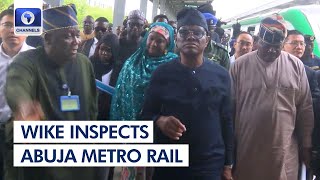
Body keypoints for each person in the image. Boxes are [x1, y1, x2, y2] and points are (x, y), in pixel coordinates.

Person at [4, 4, 107, 180]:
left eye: (77, 34)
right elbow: (17, 85)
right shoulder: (27, 62)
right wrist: (26, 109)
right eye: (68, 36)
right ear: (48, 38)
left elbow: (91, 107)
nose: (77, 41)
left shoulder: (84, 64)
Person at [142, 8, 233, 180]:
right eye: (184, 32)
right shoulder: (161, 74)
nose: (190, 37)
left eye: (197, 32)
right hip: (170, 163)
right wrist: (160, 121)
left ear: (207, 40)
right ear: (176, 39)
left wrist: (228, 164)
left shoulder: (221, 75)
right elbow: (146, 115)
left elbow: (227, 120)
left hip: (209, 164)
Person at [230, 16, 314, 180]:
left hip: (284, 150)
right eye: (267, 46)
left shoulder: (296, 66)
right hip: (247, 149)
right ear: (257, 42)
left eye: (276, 47)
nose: (271, 51)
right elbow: (229, 109)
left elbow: (305, 107)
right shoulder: (239, 66)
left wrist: (306, 143)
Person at [110, 22, 177, 180]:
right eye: (151, 38)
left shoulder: (174, 65)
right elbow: (120, 95)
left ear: (168, 45)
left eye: (160, 41)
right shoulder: (133, 62)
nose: (153, 43)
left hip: (158, 133)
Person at [0, 6, 34, 180]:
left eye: (18, 26)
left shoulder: (37, 58)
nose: (12, 30)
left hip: (25, 133)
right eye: (6, 25)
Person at [110, 10, 146, 86]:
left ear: (143, 27)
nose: (135, 27)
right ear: (126, 25)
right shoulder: (117, 44)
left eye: (139, 25)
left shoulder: (146, 45)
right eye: (131, 24)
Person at [90, 33, 119, 120]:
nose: (104, 53)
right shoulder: (91, 63)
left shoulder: (118, 68)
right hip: (91, 109)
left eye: (108, 50)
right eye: (101, 49)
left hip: (109, 112)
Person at [198, 4, 230, 69]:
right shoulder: (188, 47)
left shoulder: (221, 52)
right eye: (204, 29)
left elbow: (226, 76)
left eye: (211, 29)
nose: (208, 33)